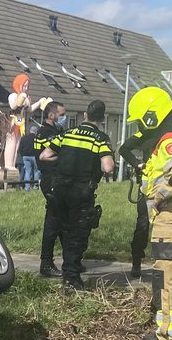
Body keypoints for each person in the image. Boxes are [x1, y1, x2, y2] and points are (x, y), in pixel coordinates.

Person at [120, 87, 172, 340]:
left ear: (151, 116)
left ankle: (170, 334)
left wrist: (156, 198)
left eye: (141, 120)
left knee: (168, 274)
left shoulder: (170, 140)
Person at [39, 100, 115, 290]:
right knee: (76, 234)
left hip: (59, 189)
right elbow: (107, 167)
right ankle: (71, 278)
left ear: (85, 115)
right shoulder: (100, 138)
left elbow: (44, 156)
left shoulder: (67, 133)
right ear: (103, 118)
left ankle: (53, 266)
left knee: (58, 227)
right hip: (80, 192)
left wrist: (64, 160)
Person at [35, 100, 66, 277]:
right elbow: (43, 158)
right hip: (50, 181)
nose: (64, 118)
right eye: (62, 115)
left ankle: (70, 259)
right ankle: (46, 263)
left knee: (63, 222)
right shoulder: (45, 133)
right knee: (53, 223)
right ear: (52, 115)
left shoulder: (56, 131)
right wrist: (64, 160)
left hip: (58, 180)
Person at [19, 118, 40, 190]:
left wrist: (23, 155)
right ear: (36, 132)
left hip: (25, 156)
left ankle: (27, 187)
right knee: (36, 171)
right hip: (34, 156)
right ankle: (35, 186)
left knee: (27, 171)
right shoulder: (36, 138)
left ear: (30, 131)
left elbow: (20, 147)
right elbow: (39, 148)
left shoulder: (24, 138)